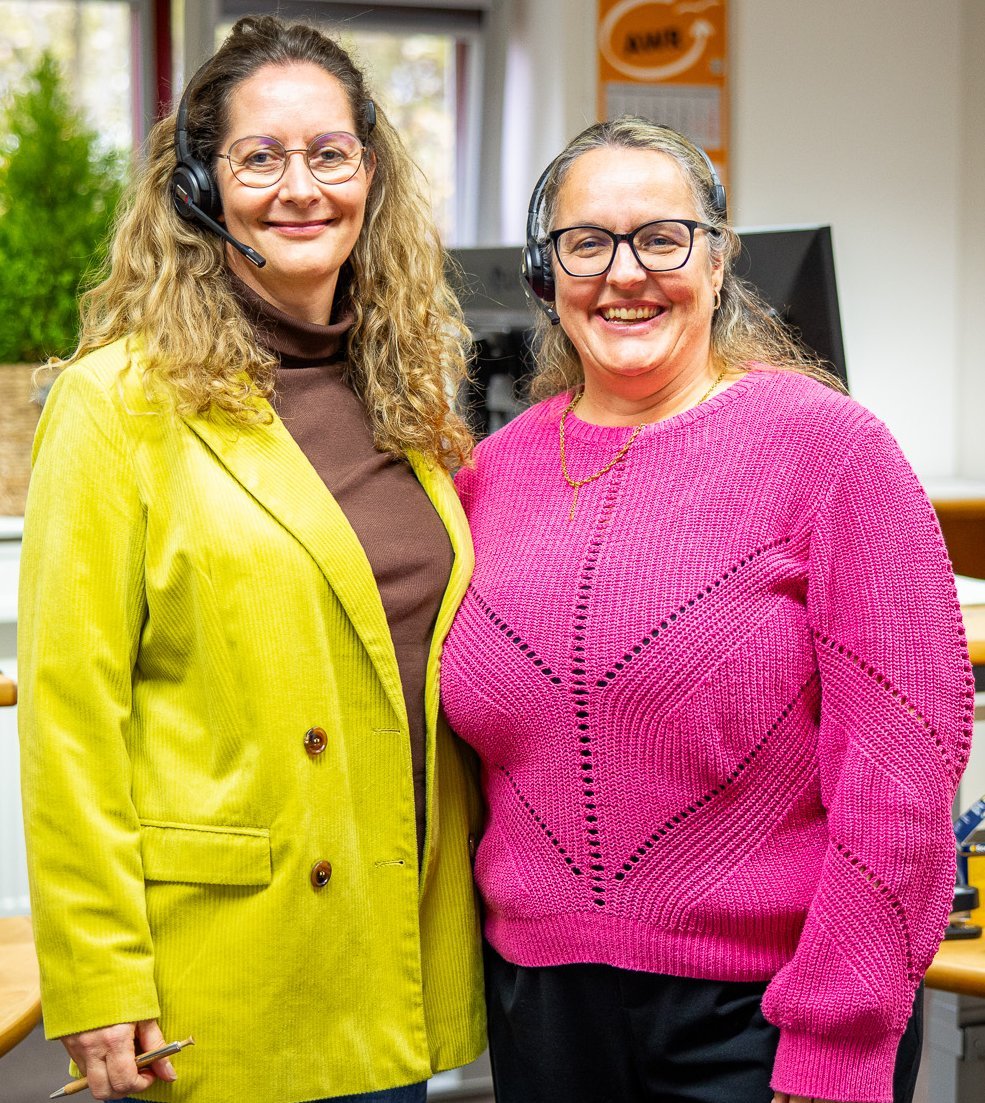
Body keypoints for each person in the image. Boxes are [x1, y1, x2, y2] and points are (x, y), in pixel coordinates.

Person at [440, 116, 973, 1103]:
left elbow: (900, 767)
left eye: (662, 238)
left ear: (717, 259)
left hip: (765, 1019)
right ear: (546, 274)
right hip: (541, 1011)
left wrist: (837, 1035)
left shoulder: (831, 451)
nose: (623, 272)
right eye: (587, 242)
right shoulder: (489, 475)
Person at [18, 15, 485, 1103]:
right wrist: (95, 974)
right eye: (259, 157)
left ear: (370, 173)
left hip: (388, 942)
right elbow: (70, 716)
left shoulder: (406, 388)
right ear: (198, 188)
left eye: (329, 153)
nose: (300, 187)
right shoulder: (117, 402)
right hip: (221, 964)